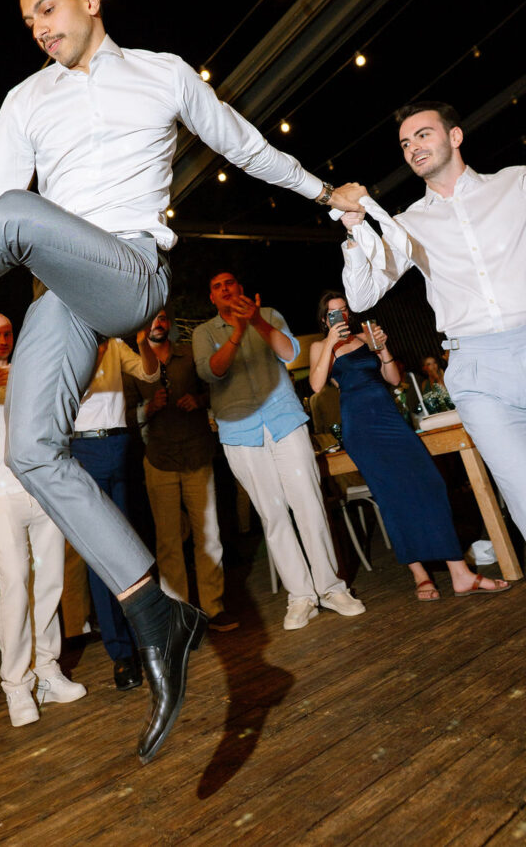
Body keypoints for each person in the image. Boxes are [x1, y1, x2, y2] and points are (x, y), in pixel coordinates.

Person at [0, 0, 366, 763]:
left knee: (24, 216)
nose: (40, 26)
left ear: (92, 0)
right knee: (29, 451)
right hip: (59, 286)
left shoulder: (162, 76)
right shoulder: (27, 100)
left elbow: (247, 144)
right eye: (28, 19)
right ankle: (156, 612)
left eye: (49, 7)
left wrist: (320, 189)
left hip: (130, 269)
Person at [333, 100, 526, 542]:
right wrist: (355, 230)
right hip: (478, 371)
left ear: (455, 136)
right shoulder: (407, 224)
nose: (413, 147)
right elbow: (362, 296)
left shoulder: (516, 184)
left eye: (423, 134)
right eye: (405, 143)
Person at [192, 271, 366, 630]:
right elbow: (213, 372)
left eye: (230, 283)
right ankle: (301, 597)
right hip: (240, 432)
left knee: (308, 503)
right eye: (217, 287)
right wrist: (238, 333)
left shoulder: (268, 314)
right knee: (272, 516)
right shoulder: (203, 333)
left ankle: (331, 588)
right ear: (212, 298)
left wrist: (253, 320)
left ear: (241, 288)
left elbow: (289, 352)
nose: (225, 289)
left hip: (284, 420)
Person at [309, 293, 509, 601]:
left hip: (389, 417)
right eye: (333, 314)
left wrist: (383, 346)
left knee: (430, 484)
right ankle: (420, 575)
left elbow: (392, 377)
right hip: (360, 426)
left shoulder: (365, 337)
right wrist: (330, 344)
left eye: (344, 311)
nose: (341, 317)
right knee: (392, 497)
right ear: (324, 319)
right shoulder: (320, 348)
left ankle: (460, 573)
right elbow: (316, 385)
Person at [0, 312, 85, 727]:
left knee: (50, 582)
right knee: (14, 587)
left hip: (40, 488)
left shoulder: (31, 371)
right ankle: (16, 684)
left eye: (8, 333)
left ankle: (47, 670)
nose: (3, 340)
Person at [131, 308, 238, 633]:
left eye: (163, 317)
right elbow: (123, 411)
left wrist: (199, 399)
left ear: (170, 322)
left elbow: (218, 388)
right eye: (152, 319)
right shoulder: (134, 364)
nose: (158, 323)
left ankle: (214, 607)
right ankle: (180, 615)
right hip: (159, 458)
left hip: (196, 453)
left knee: (209, 535)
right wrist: (148, 408)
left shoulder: (190, 354)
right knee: (168, 541)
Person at [69, 330, 160, 691]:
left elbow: (150, 374)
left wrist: (141, 342)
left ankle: (150, 640)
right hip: (84, 448)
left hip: (120, 443)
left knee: (133, 547)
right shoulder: (69, 345)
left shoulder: (118, 347)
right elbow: (73, 393)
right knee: (101, 555)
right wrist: (94, 350)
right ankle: (121, 655)